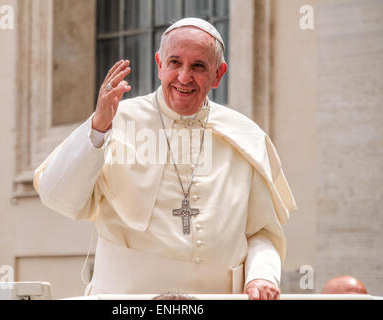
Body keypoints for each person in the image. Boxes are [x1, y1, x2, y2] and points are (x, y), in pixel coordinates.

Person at [34, 18, 297, 300]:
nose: (184, 77)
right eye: (175, 63)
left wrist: (261, 275)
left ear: (218, 74)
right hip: (127, 302)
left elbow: (262, 231)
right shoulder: (115, 120)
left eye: (198, 66)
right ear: (159, 64)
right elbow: (57, 196)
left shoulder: (246, 136)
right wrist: (97, 129)